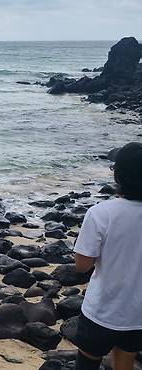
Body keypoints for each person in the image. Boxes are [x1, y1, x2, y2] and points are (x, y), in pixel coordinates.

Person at [72, 142, 142, 370]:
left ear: (117, 175)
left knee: (88, 362)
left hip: (102, 310)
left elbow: (82, 265)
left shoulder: (100, 213)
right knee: (125, 362)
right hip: (137, 312)